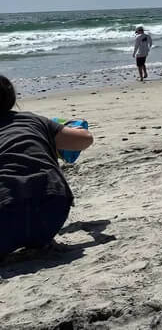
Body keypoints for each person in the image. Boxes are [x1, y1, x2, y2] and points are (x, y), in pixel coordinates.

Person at [0, 75, 94, 258]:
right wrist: (60, 131)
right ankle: (35, 238)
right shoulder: (34, 121)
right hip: (52, 212)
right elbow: (85, 140)